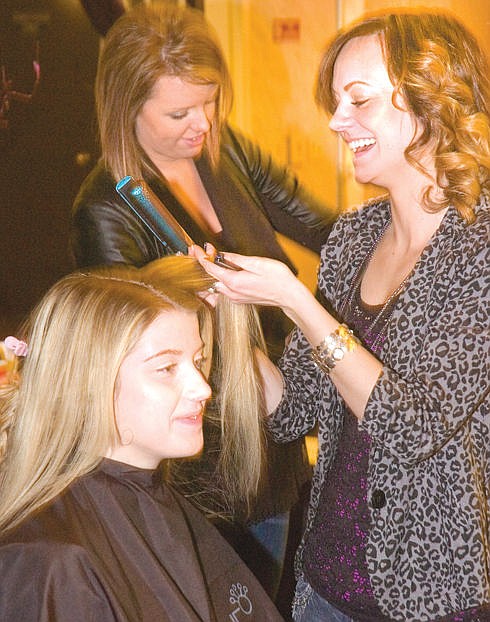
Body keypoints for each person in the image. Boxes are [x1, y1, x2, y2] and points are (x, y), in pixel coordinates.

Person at [192, 9, 490, 622]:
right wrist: (229, 323)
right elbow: (292, 410)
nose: (335, 120)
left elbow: (415, 429)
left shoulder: (479, 246)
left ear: (432, 104)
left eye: (359, 99)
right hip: (323, 579)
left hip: (428, 596)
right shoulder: (354, 237)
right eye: (336, 102)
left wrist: (298, 303)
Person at [71, 1, 337, 602]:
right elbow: (138, 360)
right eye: (178, 112)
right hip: (209, 461)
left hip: (280, 433)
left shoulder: (225, 149)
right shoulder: (107, 209)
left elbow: (326, 226)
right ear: (126, 106)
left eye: (210, 101)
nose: (202, 124)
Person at [0, 255, 284, 621]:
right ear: (89, 384)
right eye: (167, 368)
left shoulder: (151, 498)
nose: (202, 388)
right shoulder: (52, 563)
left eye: (198, 362)